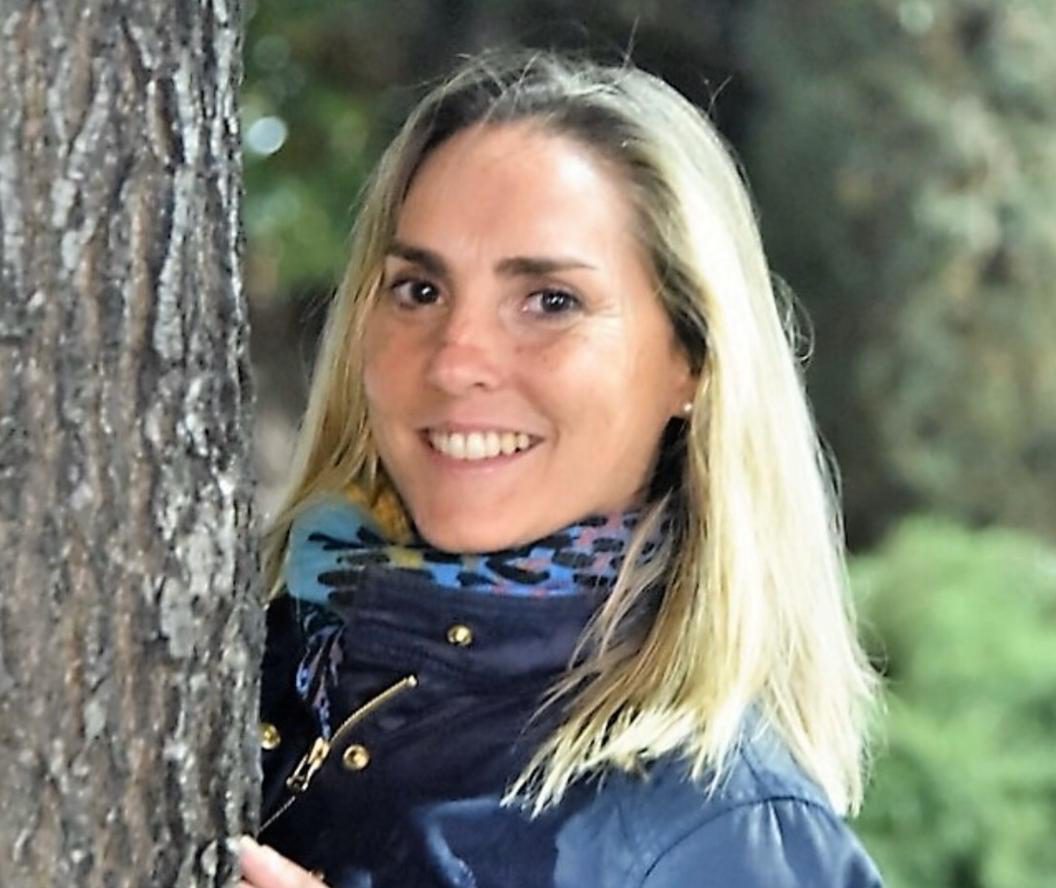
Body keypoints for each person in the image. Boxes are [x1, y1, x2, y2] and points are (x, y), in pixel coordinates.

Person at [238, 50, 884, 888]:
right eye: (420, 290)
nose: (456, 361)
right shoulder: (255, 652)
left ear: (691, 360)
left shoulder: (726, 831)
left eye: (551, 301)